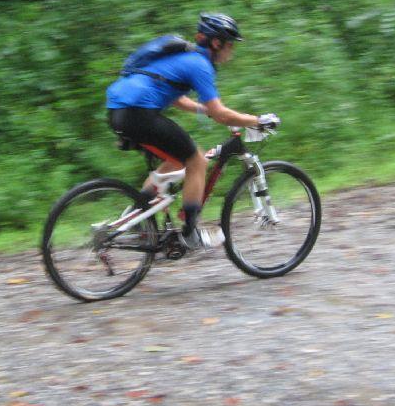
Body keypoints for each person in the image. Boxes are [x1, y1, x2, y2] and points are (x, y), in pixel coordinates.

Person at [105, 13, 279, 251]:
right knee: (196, 161)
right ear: (216, 43)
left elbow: (177, 99)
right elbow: (221, 113)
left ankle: (139, 217)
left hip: (119, 111)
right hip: (139, 113)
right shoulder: (200, 65)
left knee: (176, 162)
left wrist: (204, 109)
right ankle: (189, 233)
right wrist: (256, 121)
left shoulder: (184, 58)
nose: (231, 51)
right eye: (229, 44)